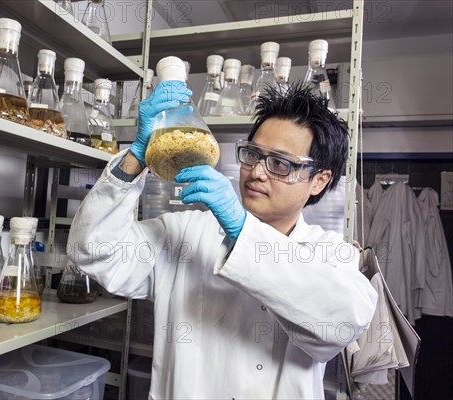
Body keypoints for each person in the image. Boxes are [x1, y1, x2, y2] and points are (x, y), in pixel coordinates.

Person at [67, 81, 377, 399]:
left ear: (319, 180)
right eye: (253, 154)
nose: (256, 172)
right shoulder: (186, 232)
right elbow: (93, 251)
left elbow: (344, 321)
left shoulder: (330, 252)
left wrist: (242, 230)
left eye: (280, 164)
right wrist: (135, 156)